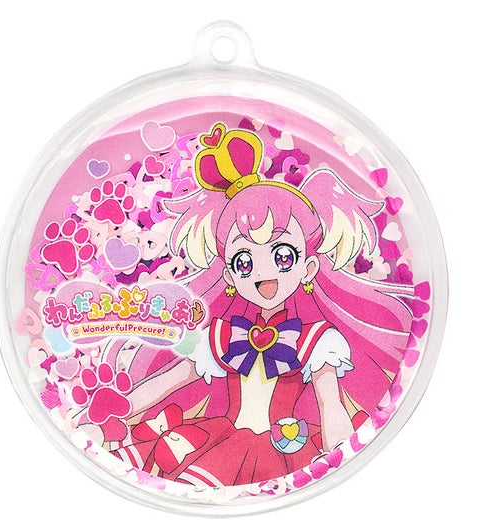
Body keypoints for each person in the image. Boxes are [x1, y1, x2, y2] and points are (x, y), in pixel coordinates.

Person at [108, 123, 413, 487]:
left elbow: (330, 406)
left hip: (285, 451)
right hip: (223, 441)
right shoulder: (222, 337)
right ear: (229, 276)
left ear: (308, 268)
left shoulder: (316, 341)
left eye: (283, 256)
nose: (263, 273)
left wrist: (342, 456)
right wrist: (114, 412)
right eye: (244, 262)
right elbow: (168, 382)